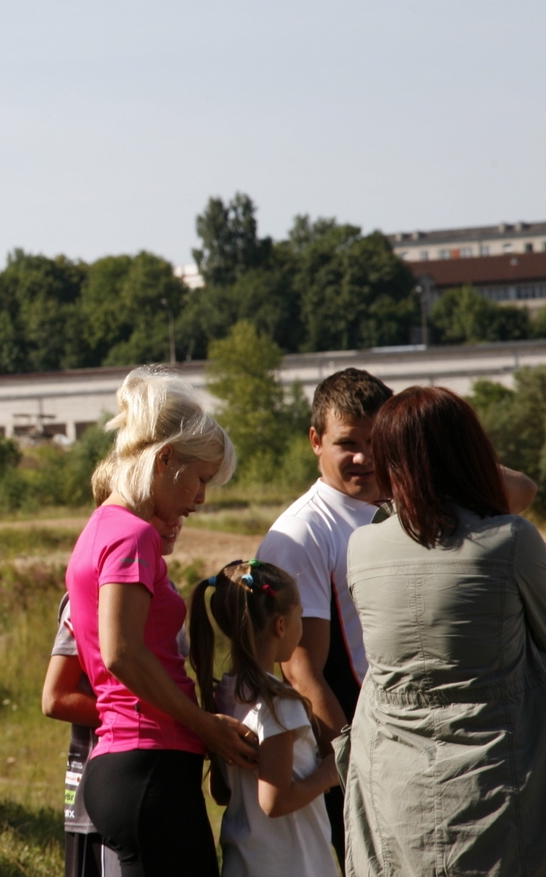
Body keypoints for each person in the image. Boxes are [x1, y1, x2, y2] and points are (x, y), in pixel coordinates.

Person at [256, 367, 536, 864]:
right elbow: (304, 672)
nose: (364, 458)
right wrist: (347, 766)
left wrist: (436, 454)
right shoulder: (302, 533)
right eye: (348, 444)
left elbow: (522, 491)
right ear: (315, 441)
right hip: (375, 743)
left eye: (376, 441)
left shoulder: (400, 504)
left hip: (415, 742)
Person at [341, 386, 546, 877]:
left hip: (394, 789)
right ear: (470, 451)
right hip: (498, 784)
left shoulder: (362, 547)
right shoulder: (509, 541)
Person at [67, 367, 258, 877]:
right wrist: (206, 726)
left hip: (129, 760)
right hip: (148, 759)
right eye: (200, 479)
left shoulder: (102, 526)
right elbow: (121, 652)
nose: (201, 498)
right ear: (166, 458)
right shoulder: (133, 536)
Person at [42, 516, 182, 877]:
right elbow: (56, 697)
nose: (176, 520)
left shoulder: (166, 593)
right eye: (160, 511)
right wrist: (155, 715)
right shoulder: (91, 595)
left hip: (156, 777)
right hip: (106, 792)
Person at [189, 560, 340, 877]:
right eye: (300, 616)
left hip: (244, 862)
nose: (301, 627)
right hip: (292, 865)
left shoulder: (228, 694)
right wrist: (330, 772)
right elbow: (274, 801)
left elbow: (221, 791)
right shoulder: (277, 703)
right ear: (281, 625)